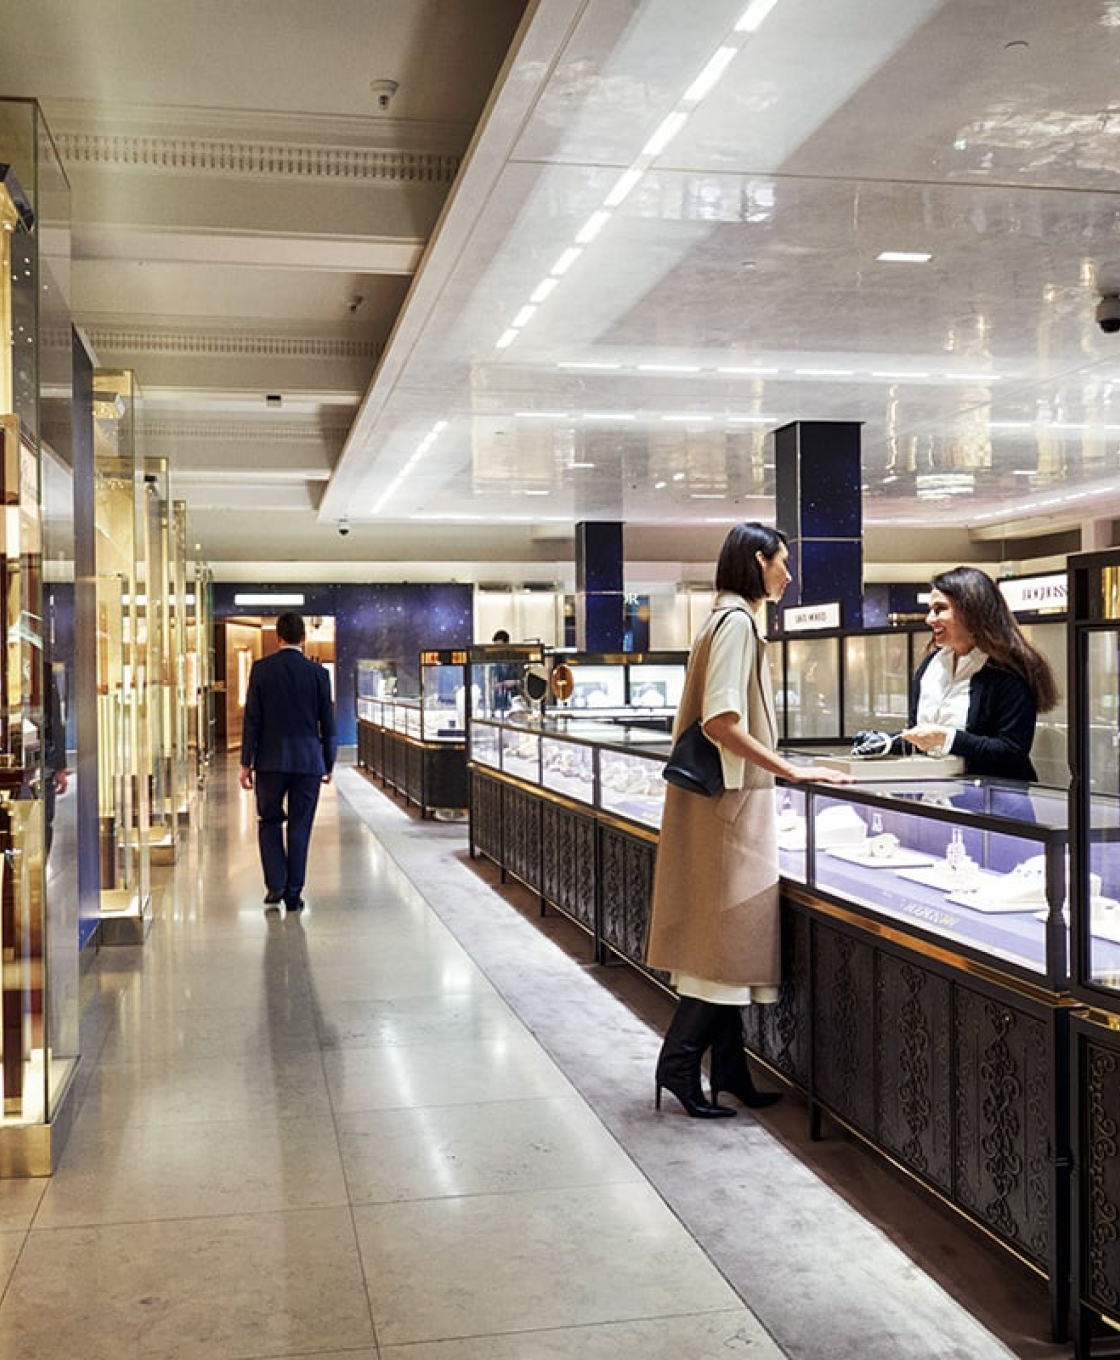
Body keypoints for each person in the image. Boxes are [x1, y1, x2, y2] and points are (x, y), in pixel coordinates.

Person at [645, 522, 851, 1119]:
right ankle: (679, 1063)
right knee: (724, 943)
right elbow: (721, 722)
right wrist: (791, 771)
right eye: (783, 562)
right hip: (729, 809)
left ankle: (730, 1070)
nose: (789, 575)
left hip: (723, 805)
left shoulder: (722, 619)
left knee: (726, 947)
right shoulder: (737, 624)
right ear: (759, 561)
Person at [899, 566, 1058, 781]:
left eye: (940, 609)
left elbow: (1012, 751)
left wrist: (947, 738)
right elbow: (918, 736)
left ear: (970, 610)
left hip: (993, 798)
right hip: (936, 793)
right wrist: (883, 742)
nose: (930, 619)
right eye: (930, 610)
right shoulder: (930, 665)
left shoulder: (1007, 672)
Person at [239, 612, 336, 912]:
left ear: (277, 637)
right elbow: (328, 723)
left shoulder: (261, 670)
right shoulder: (319, 675)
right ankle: (293, 893)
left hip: (270, 761)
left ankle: (275, 883)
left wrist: (246, 762)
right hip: (308, 762)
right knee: (300, 825)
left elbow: (252, 720)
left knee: (269, 821)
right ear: (303, 638)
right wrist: (328, 762)